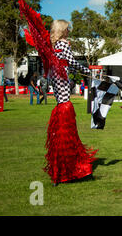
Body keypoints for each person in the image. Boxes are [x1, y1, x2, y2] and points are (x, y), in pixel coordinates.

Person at [46, 19, 97, 186]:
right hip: (65, 104)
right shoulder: (64, 45)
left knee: (60, 139)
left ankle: (60, 171)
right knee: (67, 138)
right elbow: (73, 63)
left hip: (59, 105)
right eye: (67, 28)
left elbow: (64, 67)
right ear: (62, 30)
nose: (69, 31)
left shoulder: (52, 48)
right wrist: (88, 70)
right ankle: (70, 171)